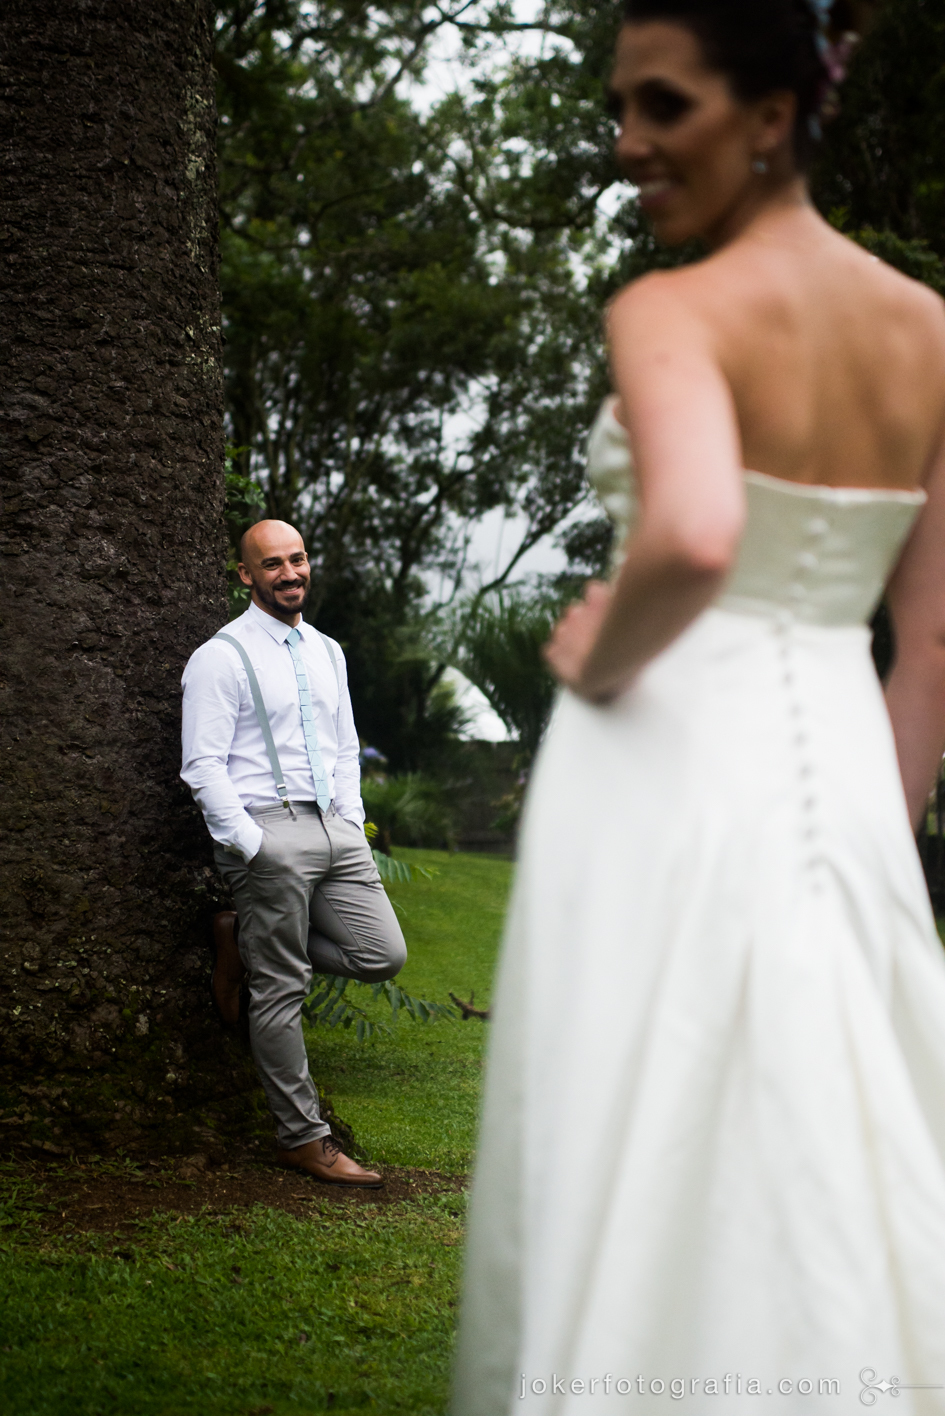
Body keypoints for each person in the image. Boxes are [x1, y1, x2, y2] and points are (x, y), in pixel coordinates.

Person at [453, 1, 945, 1410]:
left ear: (774, 114)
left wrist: (597, 659)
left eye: (663, 107)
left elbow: (694, 536)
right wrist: (874, 848)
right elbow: (931, 643)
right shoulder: (926, 330)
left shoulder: (665, 310)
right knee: (822, 1135)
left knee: (641, 1117)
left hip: (663, 764)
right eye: (622, 108)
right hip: (845, 776)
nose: (628, 145)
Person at [181, 519, 406, 1187]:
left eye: (298, 558)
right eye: (272, 564)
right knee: (280, 990)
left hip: (335, 828)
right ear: (246, 575)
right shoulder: (221, 657)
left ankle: (238, 936)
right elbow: (202, 766)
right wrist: (253, 846)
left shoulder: (327, 651)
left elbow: (343, 746)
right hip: (267, 831)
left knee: (381, 955)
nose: (290, 573)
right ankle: (302, 1138)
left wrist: (351, 820)